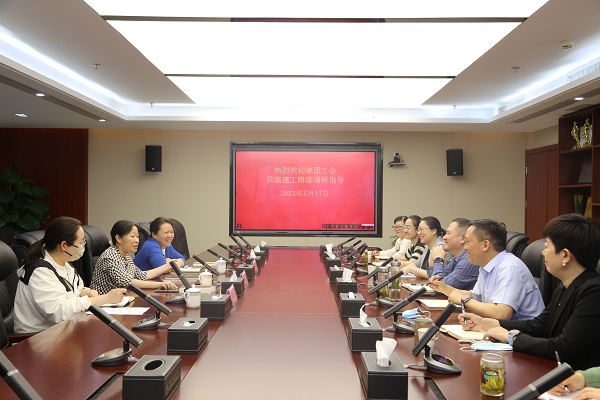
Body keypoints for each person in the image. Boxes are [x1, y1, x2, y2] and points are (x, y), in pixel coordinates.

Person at [459, 214, 600, 371]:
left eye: (547, 247)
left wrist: (512, 338)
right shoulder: (564, 287)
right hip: (554, 368)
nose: (543, 252)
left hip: (577, 378)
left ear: (565, 255)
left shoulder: (593, 292)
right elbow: (539, 325)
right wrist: (489, 324)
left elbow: (562, 348)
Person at [14, 216, 126, 334]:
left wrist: (83, 292)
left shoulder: (65, 264)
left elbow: (72, 290)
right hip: (37, 338)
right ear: (64, 245)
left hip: (63, 330)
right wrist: (104, 299)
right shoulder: (40, 272)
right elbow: (58, 312)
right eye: (81, 242)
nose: (83, 245)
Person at [435, 219, 544, 320]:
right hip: (497, 328)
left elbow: (501, 314)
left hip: (520, 332)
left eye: (467, 242)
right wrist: (445, 288)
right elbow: (476, 297)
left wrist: (463, 300)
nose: (465, 247)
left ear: (485, 245)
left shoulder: (509, 267)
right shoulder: (486, 266)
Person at [91, 220, 179, 295]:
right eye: (132, 236)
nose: (137, 240)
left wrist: (169, 266)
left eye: (137, 236)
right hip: (104, 304)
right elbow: (128, 282)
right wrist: (159, 284)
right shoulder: (110, 256)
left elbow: (142, 275)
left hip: (121, 299)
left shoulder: (125, 255)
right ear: (118, 238)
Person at [428, 218, 479, 290]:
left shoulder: (468, 260)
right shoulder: (457, 258)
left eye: (448, 233)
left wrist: (438, 259)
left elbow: (440, 286)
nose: (444, 237)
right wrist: (431, 263)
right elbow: (432, 281)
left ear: (463, 239)